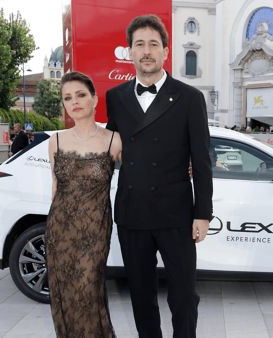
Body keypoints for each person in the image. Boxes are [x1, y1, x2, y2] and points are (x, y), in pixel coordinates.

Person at [106, 14, 213, 338]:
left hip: (175, 214)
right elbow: (111, 146)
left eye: (154, 44)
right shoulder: (116, 97)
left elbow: (202, 159)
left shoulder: (190, 98)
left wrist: (203, 214)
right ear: (130, 52)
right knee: (140, 296)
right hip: (132, 213)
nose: (147, 51)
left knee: (183, 297)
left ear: (166, 51)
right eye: (140, 44)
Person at [46, 71, 122, 337]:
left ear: (94, 99)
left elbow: (146, 166)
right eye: (67, 98)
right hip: (60, 230)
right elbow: (55, 189)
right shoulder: (55, 141)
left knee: (88, 291)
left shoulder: (113, 140)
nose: (74, 102)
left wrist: (185, 166)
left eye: (80, 95)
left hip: (95, 232)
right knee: (66, 296)